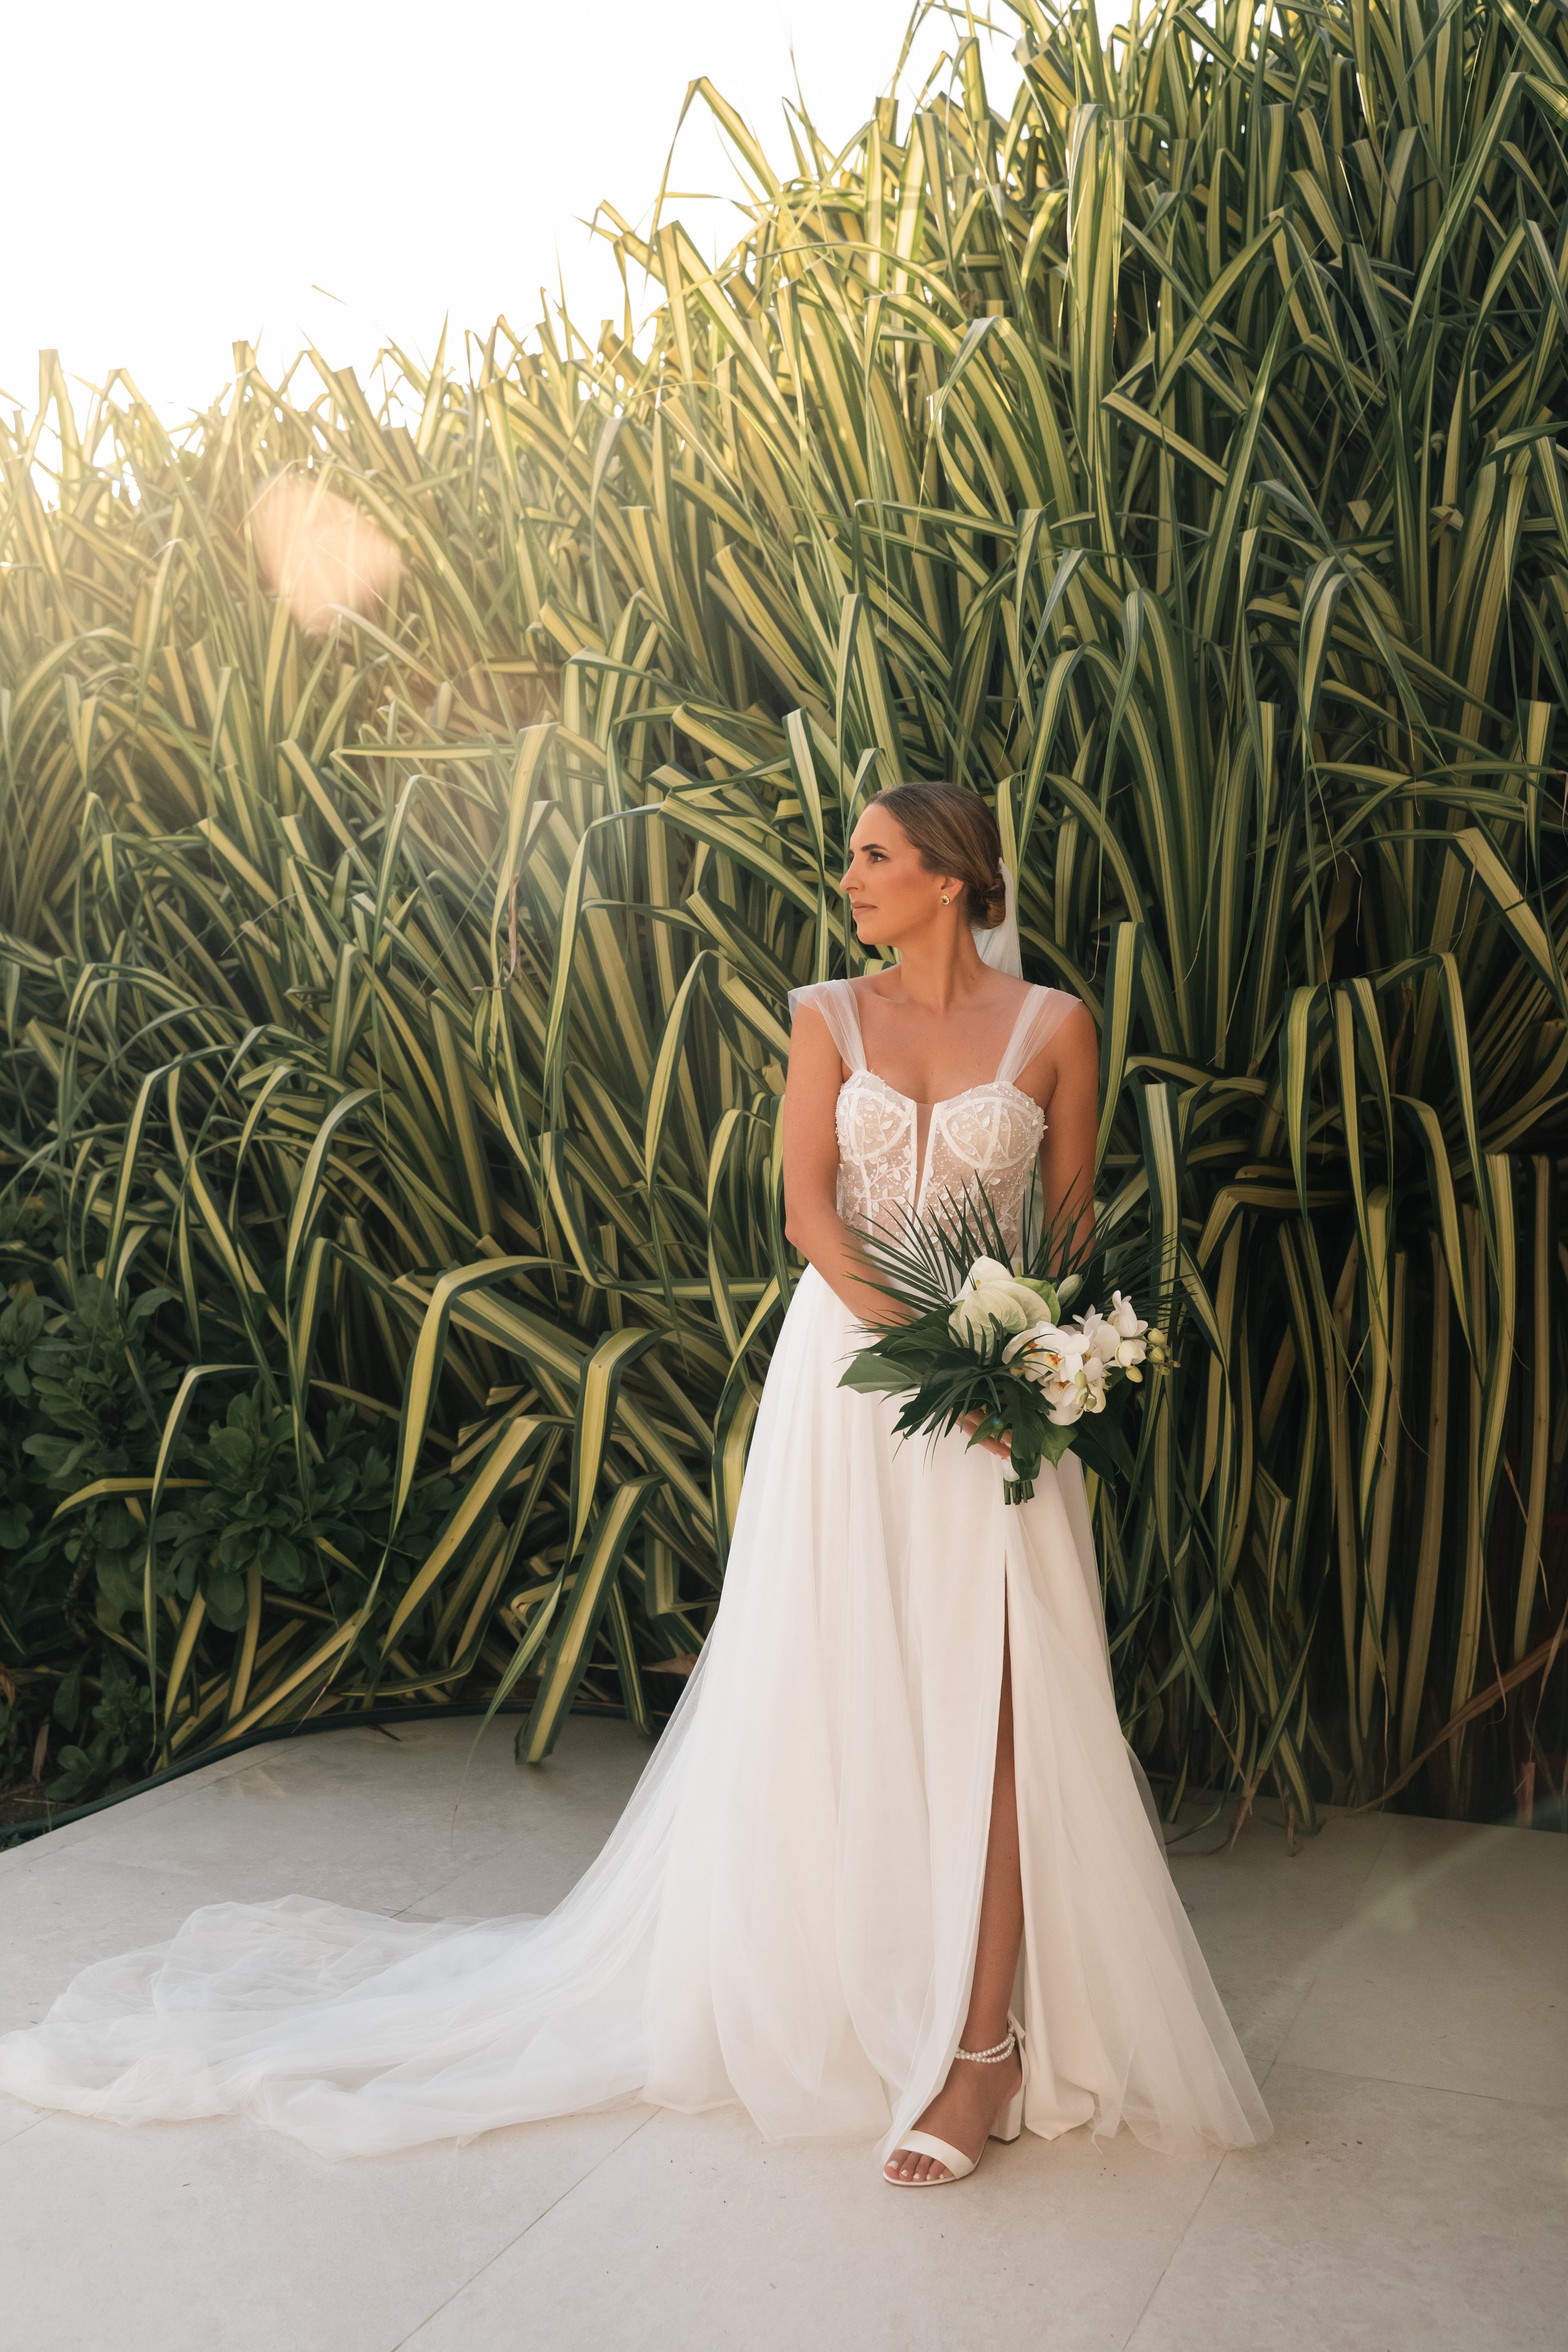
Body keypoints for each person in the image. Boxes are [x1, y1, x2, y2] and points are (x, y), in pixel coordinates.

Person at [0, 783, 1269, 2180]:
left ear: (954, 878)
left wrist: (1037, 1369)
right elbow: (807, 1214)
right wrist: (938, 1349)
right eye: (851, 856)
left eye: (874, 856)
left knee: (1010, 1700)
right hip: (854, 1386)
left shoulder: (1054, 1028)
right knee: (840, 1678)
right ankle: (855, 1986)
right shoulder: (826, 1015)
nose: (847, 877)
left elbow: (1069, 1235)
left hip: (998, 1412)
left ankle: (985, 2049)